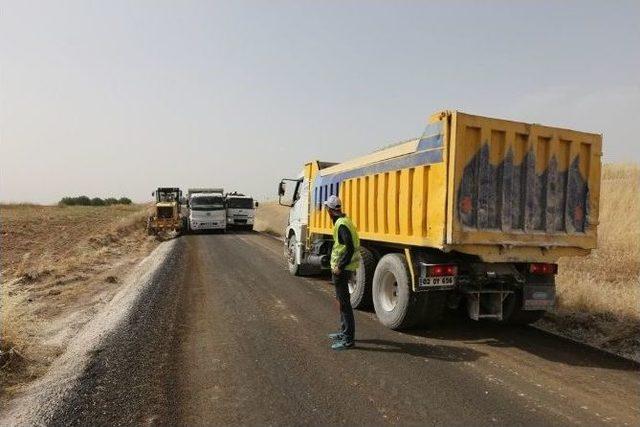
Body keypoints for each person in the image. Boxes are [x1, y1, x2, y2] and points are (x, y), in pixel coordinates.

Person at [323, 195, 360, 351]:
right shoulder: (344, 221)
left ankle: (348, 340)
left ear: (330, 210)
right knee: (341, 302)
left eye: (327, 209)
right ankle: (344, 332)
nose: (326, 211)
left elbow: (350, 247)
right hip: (343, 268)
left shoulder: (341, 224)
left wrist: (340, 265)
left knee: (344, 305)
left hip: (342, 269)